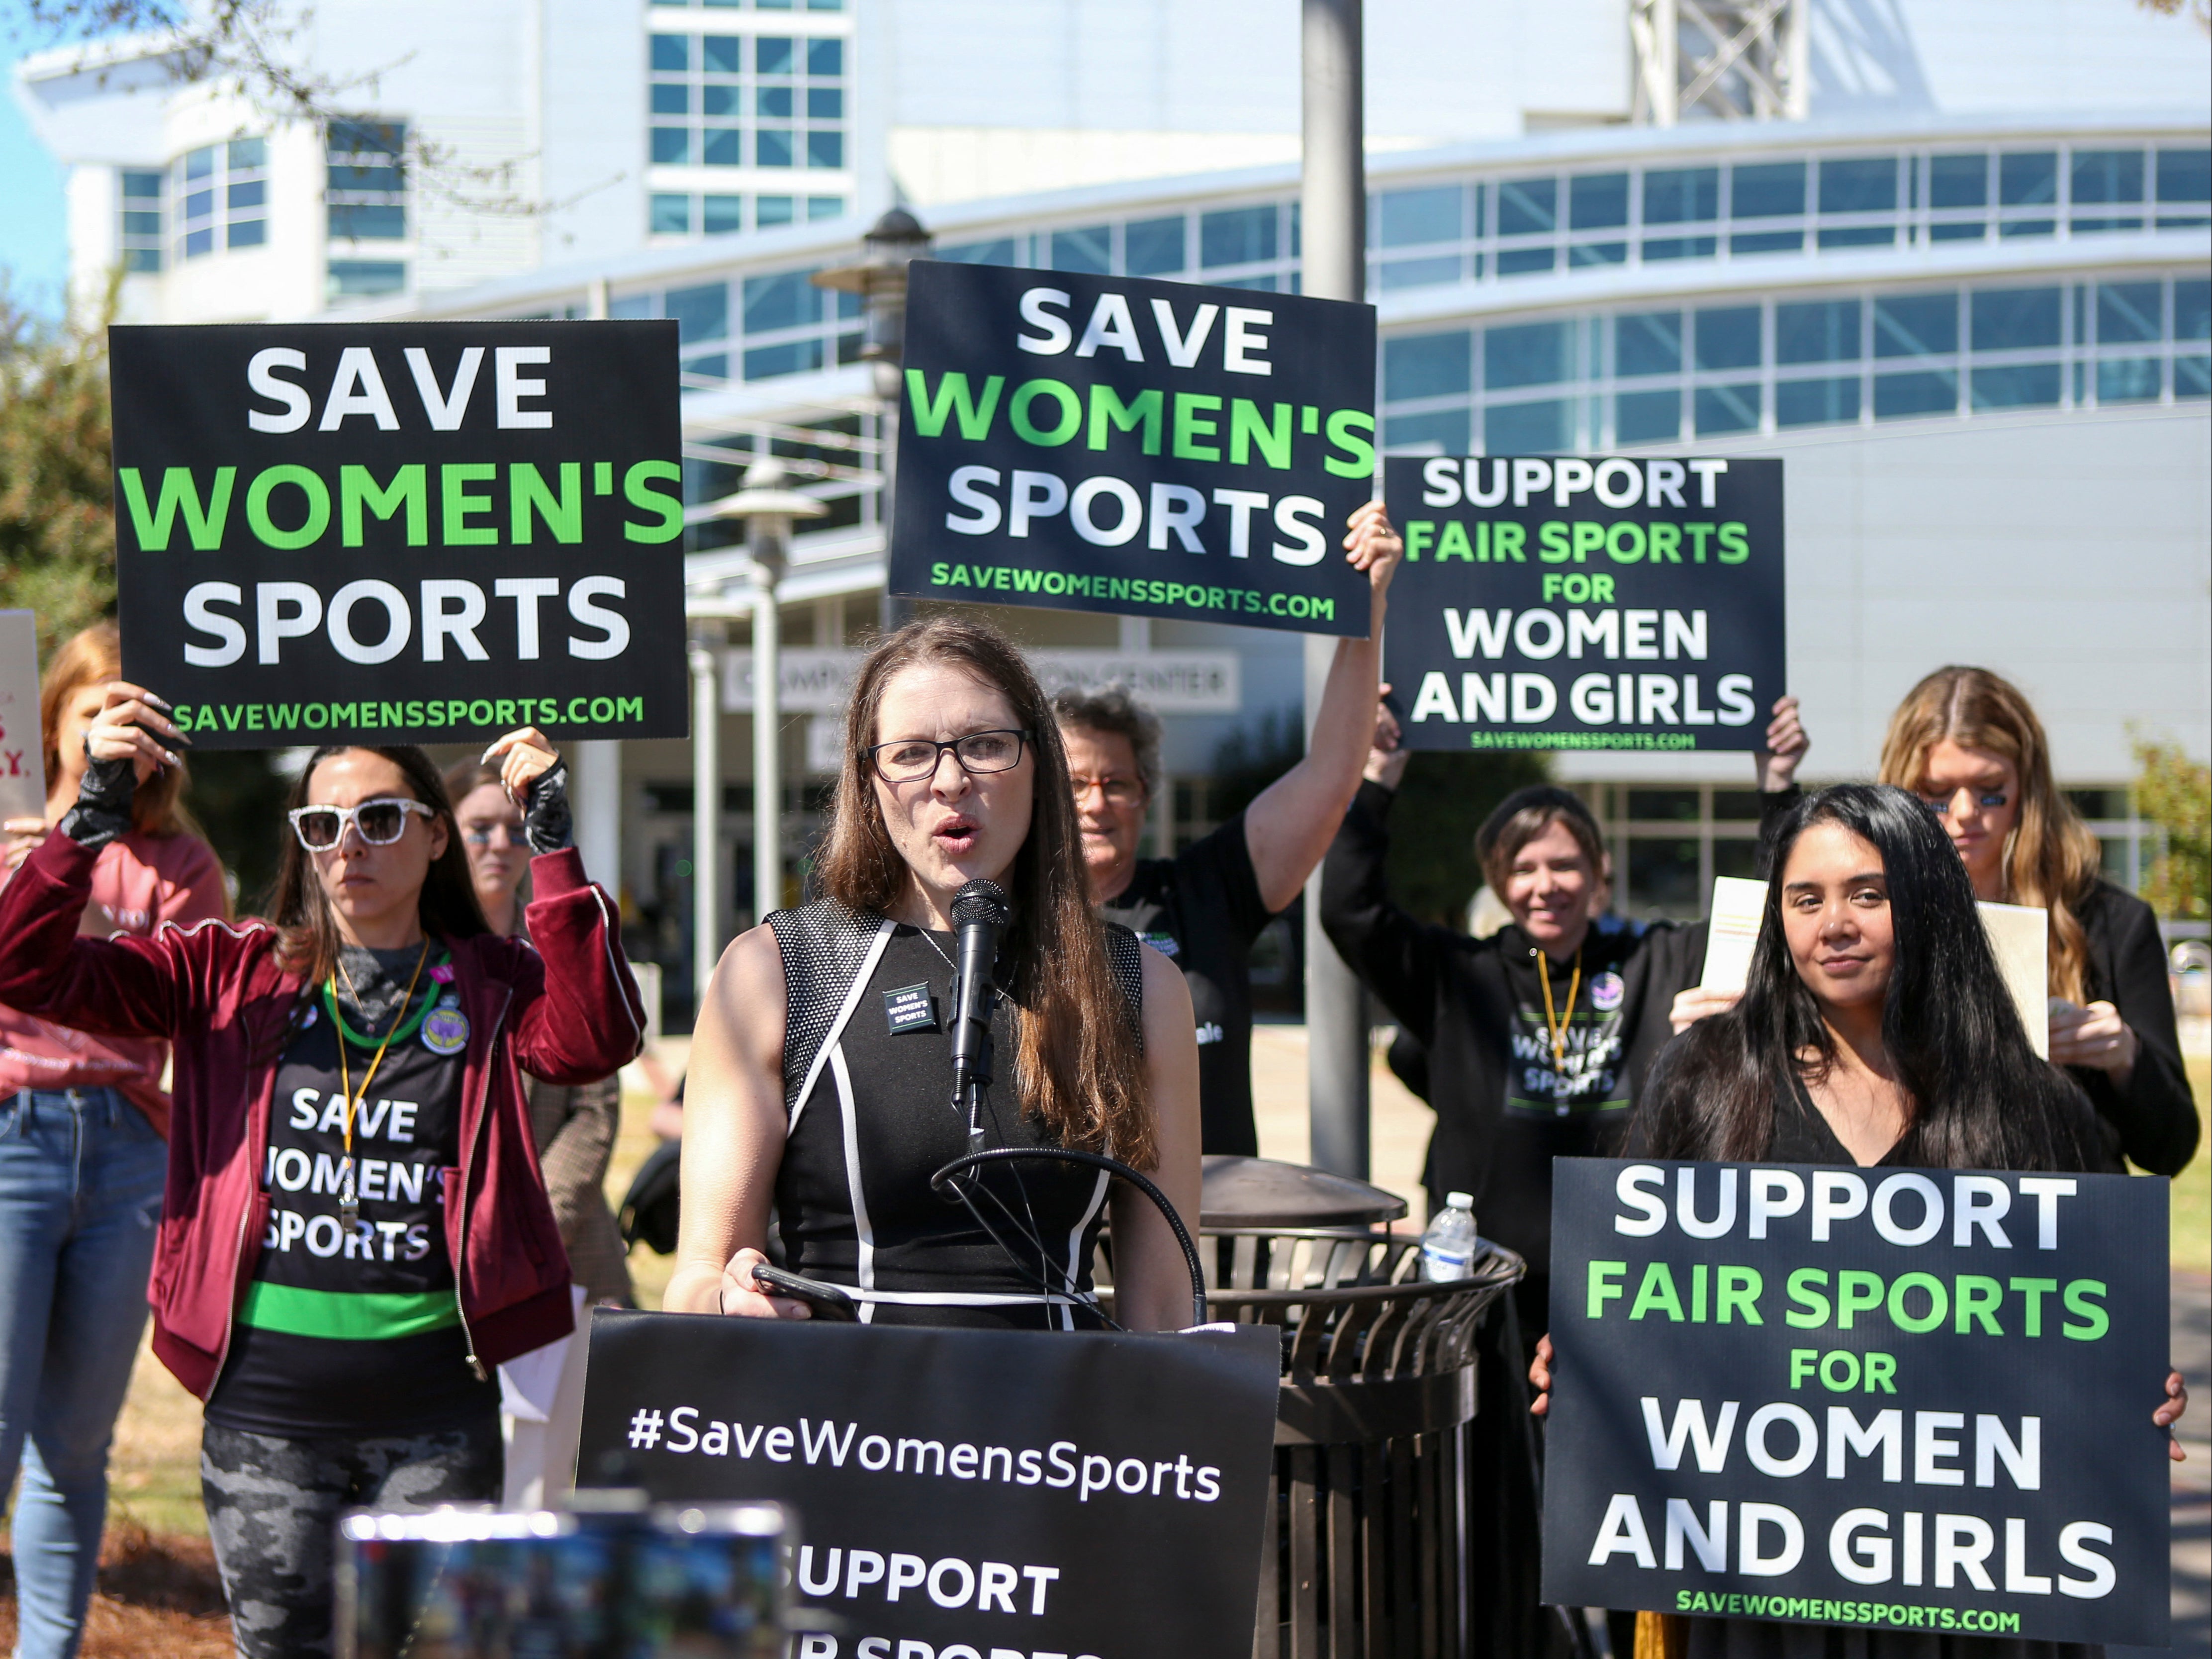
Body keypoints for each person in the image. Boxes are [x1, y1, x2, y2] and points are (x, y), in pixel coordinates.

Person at [0, 693, 642, 1659]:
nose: (350, 845)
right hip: (265, 1415)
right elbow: (22, 969)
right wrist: (90, 814)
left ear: (436, 839)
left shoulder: (490, 980)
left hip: (435, 1414)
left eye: (380, 820)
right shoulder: (230, 971)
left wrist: (552, 840)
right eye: (323, 825)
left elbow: (596, 1039)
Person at [1529, 783, 2188, 1659]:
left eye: (1866, 894)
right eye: (1804, 899)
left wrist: (2126, 1388)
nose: (1831, 923)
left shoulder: (2033, 1106)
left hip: (1968, 1597)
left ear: (1927, 902)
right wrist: (1584, 1356)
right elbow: (1640, 1299)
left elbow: (2073, 1328)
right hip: (1757, 1596)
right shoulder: (1707, 1080)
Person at [670, 615, 1202, 1332]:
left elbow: (1166, 1306)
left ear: (1040, 764)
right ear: (869, 781)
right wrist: (731, 1300)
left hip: (1059, 1434)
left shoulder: (1139, 985)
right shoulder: (776, 971)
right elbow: (699, 1278)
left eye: (986, 746)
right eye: (913, 753)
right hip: (844, 1429)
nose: (951, 780)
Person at [1320, 695, 1806, 1338]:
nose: (1544, 885)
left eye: (1564, 865)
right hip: (1486, 1289)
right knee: (1493, 1443)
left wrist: (1777, 789)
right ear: (1498, 884)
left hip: (1631, 1278)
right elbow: (1350, 912)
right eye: (1522, 869)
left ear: (1599, 872)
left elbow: (1773, 918)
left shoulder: (1658, 957)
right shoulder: (1458, 976)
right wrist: (1379, 778)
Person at [0, 624, 225, 1659]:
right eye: (93, 714)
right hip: (12, 1138)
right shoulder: (8, 840)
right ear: (53, 728)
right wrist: (40, 873)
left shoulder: (181, 863)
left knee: (76, 1443)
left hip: (130, 1147)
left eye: (128, 719)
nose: (107, 737)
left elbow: (156, 1010)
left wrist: (59, 906)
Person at [1056, 499, 1403, 1155]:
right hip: (1056, 1248)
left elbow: (1332, 774)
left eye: (1116, 784)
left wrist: (1369, 606)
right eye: (1073, 785)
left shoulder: (1205, 893)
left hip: (1208, 1237)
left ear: (1146, 796)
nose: (1096, 804)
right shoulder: (1000, 918)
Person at [1877, 666, 2197, 1176]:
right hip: (1919, 1221)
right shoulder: (1870, 915)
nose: (1963, 813)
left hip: (2066, 1228)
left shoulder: (2109, 923)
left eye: (1989, 790)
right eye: (1935, 793)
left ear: (2027, 785)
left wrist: (2124, 1057)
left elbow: (2170, 1149)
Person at [444, 757, 635, 1510]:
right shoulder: (421, 967)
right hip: (443, 1272)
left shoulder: (561, 953)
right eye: (477, 828)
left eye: (510, 829)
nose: (497, 845)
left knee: (541, 1490)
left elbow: (596, 1110)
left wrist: (524, 1226)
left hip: (561, 1259)